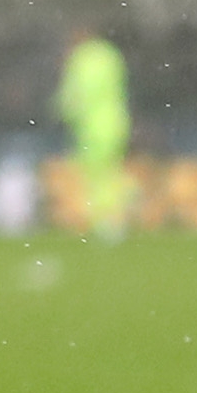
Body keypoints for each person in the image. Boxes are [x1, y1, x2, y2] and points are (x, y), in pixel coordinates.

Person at [58, 24, 133, 242]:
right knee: (112, 171)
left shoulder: (81, 58)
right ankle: (117, 215)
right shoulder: (110, 54)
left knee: (95, 175)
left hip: (91, 126)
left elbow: (75, 95)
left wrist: (61, 111)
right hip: (116, 121)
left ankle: (104, 221)